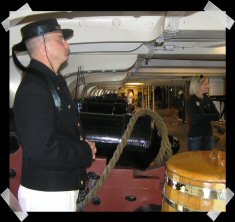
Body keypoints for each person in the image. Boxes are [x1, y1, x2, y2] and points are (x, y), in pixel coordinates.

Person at [12, 18, 97, 212]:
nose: (67, 44)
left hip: (56, 191)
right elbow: (43, 150)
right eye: (60, 39)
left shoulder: (50, 82)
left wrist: (82, 144)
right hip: (47, 196)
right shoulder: (34, 88)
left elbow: (61, 131)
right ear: (43, 45)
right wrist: (83, 152)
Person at [187, 75, 219, 151]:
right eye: (205, 84)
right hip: (196, 137)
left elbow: (217, 115)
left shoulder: (207, 99)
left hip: (208, 135)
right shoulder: (192, 100)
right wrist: (208, 115)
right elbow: (195, 120)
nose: (208, 86)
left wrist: (203, 115)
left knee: (207, 161)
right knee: (195, 161)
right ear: (198, 86)